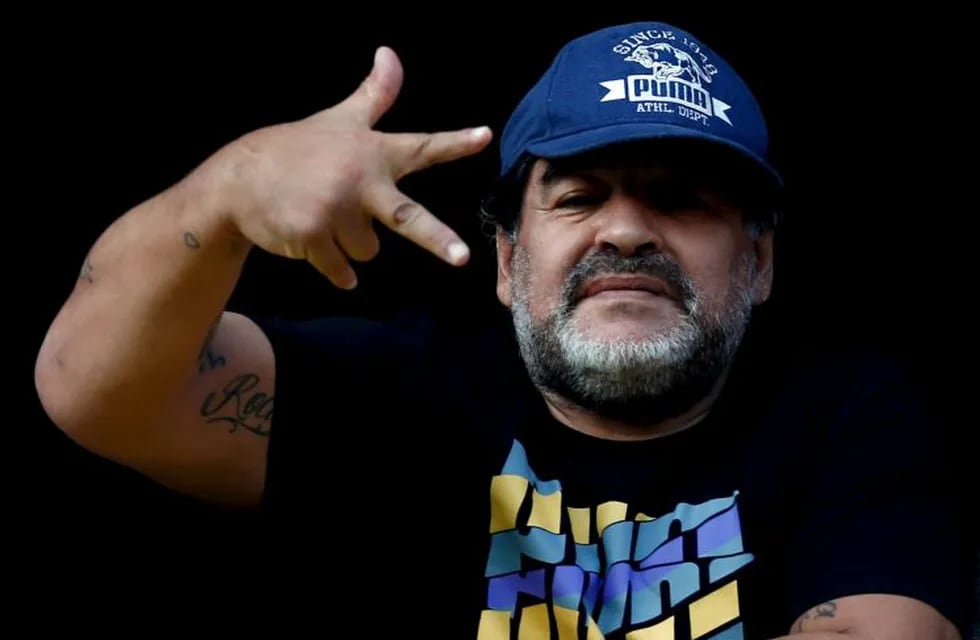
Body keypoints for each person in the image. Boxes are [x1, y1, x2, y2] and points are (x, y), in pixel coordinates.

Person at [33, 20, 973, 639]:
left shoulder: (853, 416)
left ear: (761, 264)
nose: (628, 230)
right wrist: (225, 193)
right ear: (506, 260)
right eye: (579, 195)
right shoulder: (404, 392)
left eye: (682, 200)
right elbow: (92, 388)